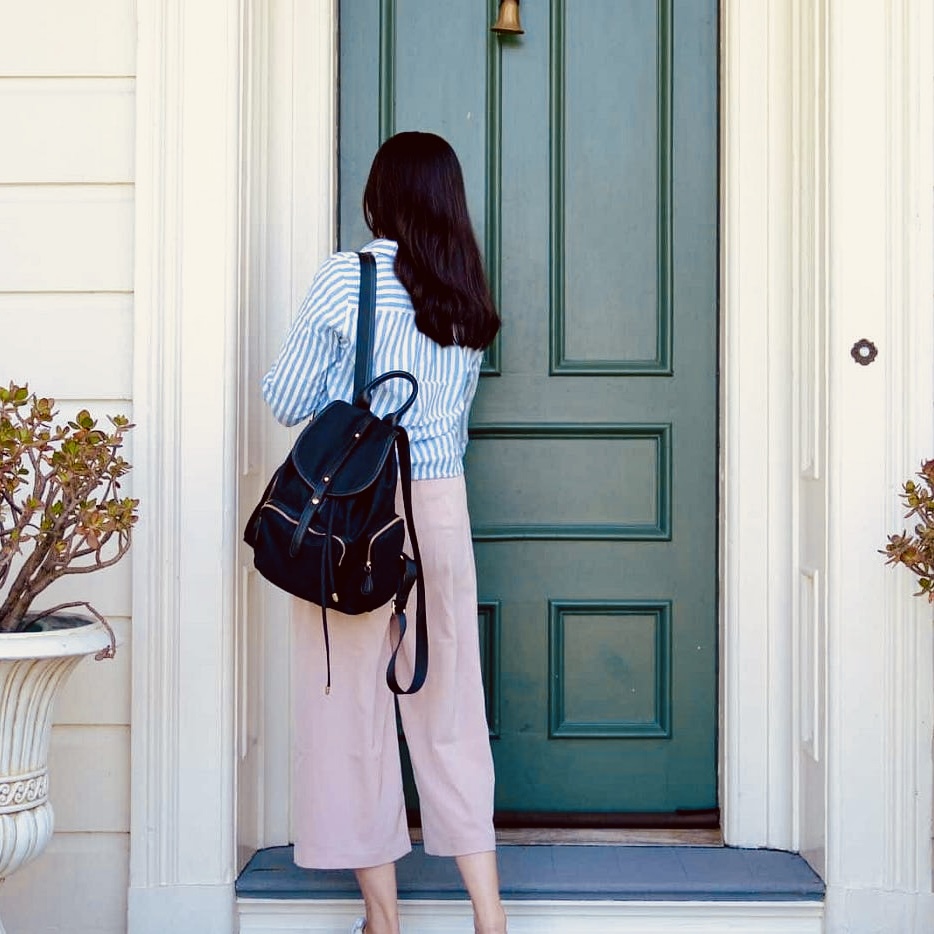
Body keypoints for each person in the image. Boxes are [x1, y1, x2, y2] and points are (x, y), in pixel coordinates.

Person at [261, 131, 507, 934]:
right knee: (450, 706)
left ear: (381, 194)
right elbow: (450, 424)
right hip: (438, 502)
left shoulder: (349, 276)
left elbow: (288, 397)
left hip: (355, 515)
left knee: (346, 712)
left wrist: (344, 376)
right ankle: (489, 915)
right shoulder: (464, 294)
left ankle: (384, 920)